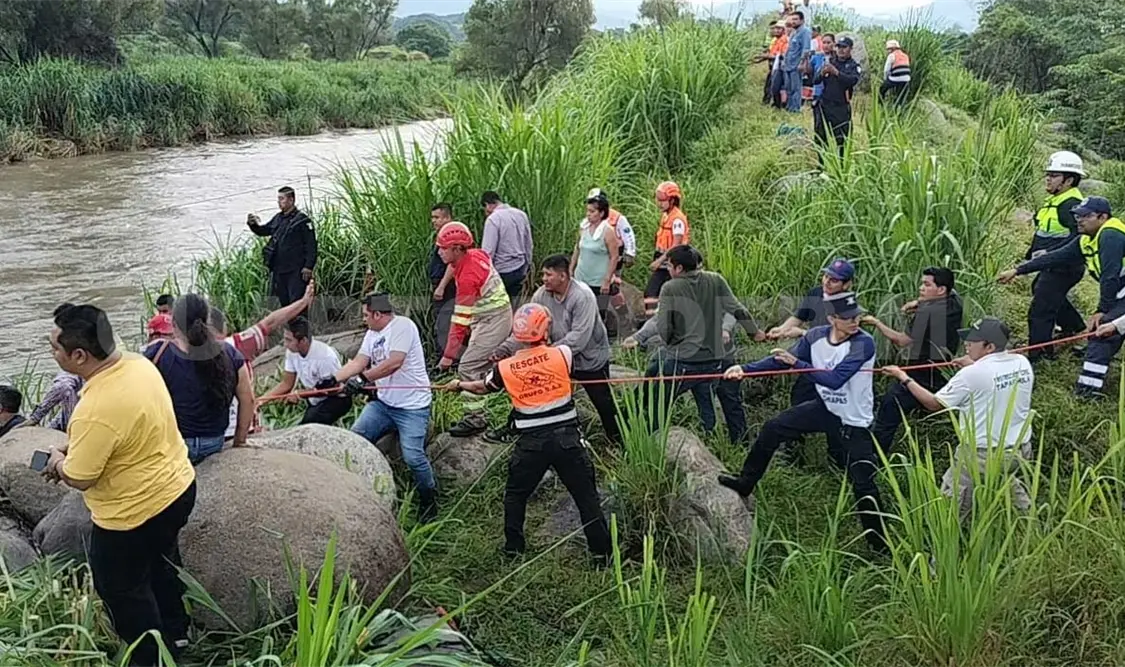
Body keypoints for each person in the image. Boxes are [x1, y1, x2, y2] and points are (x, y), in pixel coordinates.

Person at [42, 304, 196, 666]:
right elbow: (126, 430)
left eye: (54, 347)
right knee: (161, 565)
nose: (51, 352)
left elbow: (82, 475)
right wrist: (80, 444)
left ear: (79, 356)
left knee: (123, 590)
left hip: (131, 516)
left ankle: (151, 658)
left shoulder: (97, 406)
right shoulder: (136, 364)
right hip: (177, 488)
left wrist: (58, 462)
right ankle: (177, 634)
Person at [719, 293, 887, 552]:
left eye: (857, 316)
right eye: (848, 318)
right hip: (824, 408)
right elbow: (780, 361)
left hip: (853, 420)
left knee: (863, 483)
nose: (855, 321)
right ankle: (746, 482)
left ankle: (880, 545)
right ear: (832, 319)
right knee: (773, 428)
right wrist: (745, 369)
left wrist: (796, 363)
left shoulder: (864, 343)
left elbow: (835, 380)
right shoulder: (815, 336)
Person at [446, 303, 611, 563]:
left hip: (531, 444)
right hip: (567, 439)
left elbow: (482, 388)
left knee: (516, 495)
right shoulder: (563, 354)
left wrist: (460, 385)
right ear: (545, 329)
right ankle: (602, 555)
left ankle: (513, 549)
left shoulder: (505, 368)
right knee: (585, 496)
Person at [883, 318, 1034, 520]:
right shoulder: (1022, 362)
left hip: (981, 456)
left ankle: (949, 544)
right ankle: (1029, 521)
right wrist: (973, 363)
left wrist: (903, 377)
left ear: (989, 347)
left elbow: (934, 403)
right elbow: (994, 373)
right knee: (1005, 479)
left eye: (973, 341)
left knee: (954, 503)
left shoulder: (971, 374)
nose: (966, 344)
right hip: (1020, 450)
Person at [999, 196, 1125, 398]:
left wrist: (1102, 310)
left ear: (1103, 217)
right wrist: (1018, 270)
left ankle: (1087, 394)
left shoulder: (1111, 234)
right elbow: (1057, 256)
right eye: (1077, 215)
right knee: (1102, 333)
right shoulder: (1086, 239)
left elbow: (1110, 276)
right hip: (1120, 294)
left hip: (1120, 295)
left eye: (1086, 216)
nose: (1079, 220)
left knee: (1102, 334)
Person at [491, 255, 621, 445]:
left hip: (589, 358)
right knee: (535, 390)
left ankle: (617, 440)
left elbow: (579, 337)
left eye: (548, 274)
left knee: (603, 402)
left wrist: (547, 354)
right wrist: (505, 348)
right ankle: (512, 427)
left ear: (563, 276)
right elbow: (528, 328)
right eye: (543, 274)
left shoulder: (582, 296)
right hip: (558, 356)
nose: (543, 279)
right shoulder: (541, 295)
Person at [641, 245, 764, 444]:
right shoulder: (715, 279)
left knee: (659, 398)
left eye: (669, 266)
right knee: (707, 398)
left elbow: (664, 327)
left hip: (683, 360)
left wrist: (671, 344)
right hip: (714, 360)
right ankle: (719, 439)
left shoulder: (670, 287)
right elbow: (737, 308)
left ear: (679, 268)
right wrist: (755, 333)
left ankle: (653, 439)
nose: (669, 271)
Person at [334, 293, 438, 522]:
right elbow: (359, 361)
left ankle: (429, 499)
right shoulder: (372, 334)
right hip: (384, 404)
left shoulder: (403, 326)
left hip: (412, 406)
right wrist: (332, 379)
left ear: (378, 314)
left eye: (365, 315)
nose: (364, 320)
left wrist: (362, 379)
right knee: (354, 440)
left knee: (413, 457)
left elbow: (394, 362)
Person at [144, 294, 253, 464]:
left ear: (173, 324)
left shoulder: (158, 353)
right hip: (214, 442)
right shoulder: (229, 353)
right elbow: (248, 400)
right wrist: (240, 440)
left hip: (174, 445)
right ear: (207, 320)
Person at [866, 267, 964, 453]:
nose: (921, 288)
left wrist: (877, 323)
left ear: (941, 289)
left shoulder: (926, 314)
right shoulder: (955, 302)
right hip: (944, 371)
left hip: (919, 374)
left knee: (889, 408)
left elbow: (902, 341)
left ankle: (874, 456)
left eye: (926, 285)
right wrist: (918, 302)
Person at [210, 280, 317, 440]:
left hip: (208, 432)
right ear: (223, 327)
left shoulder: (180, 352)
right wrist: (303, 302)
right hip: (240, 429)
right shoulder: (236, 345)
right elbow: (270, 322)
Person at [436, 222, 514, 437]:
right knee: (478, 362)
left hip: (493, 320)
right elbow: (453, 267)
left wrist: (448, 356)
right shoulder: (475, 255)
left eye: (443, 248)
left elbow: (460, 321)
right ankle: (484, 401)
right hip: (487, 317)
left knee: (468, 366)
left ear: (458, 249)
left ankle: (475, 419)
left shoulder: (469, 276)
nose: (439, 251)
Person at [1020, 152, 1087, 361]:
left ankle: (1038, 354)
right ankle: (1073, 326)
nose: (1048, 179)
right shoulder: (1056, 200)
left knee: (1040, 311)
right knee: (1042, 291)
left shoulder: (1072, 206)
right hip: (1051, 265)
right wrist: (1030, 256)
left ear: (1069, 180)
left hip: (1063, 267)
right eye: (1047, 174)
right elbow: (1044, 233)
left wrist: (1047, 256)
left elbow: (1078, 241)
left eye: (1054, 175)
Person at [767, 258, 855, 407]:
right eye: (826, 276)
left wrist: (801, 333)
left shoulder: (848, 305)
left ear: (846, 284)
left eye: (834, 280)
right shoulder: (816, 293)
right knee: (799, 396)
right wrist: (782, 329)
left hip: (833, 361)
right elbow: (799, 316)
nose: (827, 282)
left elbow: (836, 337)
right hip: (813, 355)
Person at [260, 317, 350, 426]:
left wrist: (300, 394)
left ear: (303, 340)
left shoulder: (325, 356)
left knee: (308, 424)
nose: (285, 344)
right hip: (314, 398)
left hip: (335, 398)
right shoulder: (292, 352)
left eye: (289, 340)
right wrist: (261, 401)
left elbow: (334, 388)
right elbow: (287, 384)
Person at [247, 186, 317, 307]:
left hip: (296, 271)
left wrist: (308, 266)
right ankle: (289, 325)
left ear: (291, 200)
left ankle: (300, 325)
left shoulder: (302, 220)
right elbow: (264, 231)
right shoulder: (278, 218)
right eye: (278, 199)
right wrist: (253, 225)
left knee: (297, 303)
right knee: (284, 303)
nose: (279, 202)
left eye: (282, 199)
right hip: (279, 270)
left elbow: (311, 245)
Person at [22, 303, 84, 432]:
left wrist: (35, 417)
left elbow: (63, 387)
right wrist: (51, 427)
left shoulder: (74, 355)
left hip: (80, 429)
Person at [571, 189, 621, 329]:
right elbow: (577, 248)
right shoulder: (584, 228)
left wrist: (607, 279)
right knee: (580, 309)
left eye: (592, 212)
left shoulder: (607, 231)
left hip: (598, 280)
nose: (588, 214)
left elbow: (614, 256)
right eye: (587, 211)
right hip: (581, 277)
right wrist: (571, 269)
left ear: (601, 213)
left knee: (598, 313)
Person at [644, 181, 690, 321]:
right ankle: (652, 323)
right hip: (665, 261)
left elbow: (676, 246)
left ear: (672, 200)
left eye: (662, 200)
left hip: (673, 263)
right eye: (658, 200)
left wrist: (660, 260)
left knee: (661, 293)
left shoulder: (677, 220)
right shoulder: (666, 215)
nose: (659, 203)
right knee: (652, 294)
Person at [813, 36, 861, 162]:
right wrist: (822, 73)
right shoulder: (830, 62)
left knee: (842, 139)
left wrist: (837, 73)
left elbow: (852, 81)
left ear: (850, 49)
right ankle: (822, 166)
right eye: (839, 47)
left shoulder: (853, 65)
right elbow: (815, 80)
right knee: (820, 137)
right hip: (825, 105)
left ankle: (841, 166)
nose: (841, 50)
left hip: (841, 107)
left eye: (844, 47)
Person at [481, 191, 534, 307]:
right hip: (519, 268)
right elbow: (528, 244)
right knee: (514, 306)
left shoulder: (493, 219)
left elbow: (487, 253)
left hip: (501, 272)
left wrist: (484, 278)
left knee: (499, 310)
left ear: (487, 205)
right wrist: (527, 266)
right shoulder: (521, 215)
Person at [430, 203, 458, 358]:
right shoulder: (442, 235)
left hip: (447, 286)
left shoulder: (451, 236)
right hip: (440, 284)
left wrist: (441, 286)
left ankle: (447, 360)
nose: (434, 221)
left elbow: (452, 264)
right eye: (433, 218)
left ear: (447, 217)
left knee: (445, 323)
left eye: (437, 217)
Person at [782, 11, 813, 113]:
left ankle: (795, 109)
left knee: (796, 88)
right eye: (792, 19)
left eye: (796, 19)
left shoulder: (805, 32)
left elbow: (806, 49)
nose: (793, 22)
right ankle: (789, 107)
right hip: (788, 64)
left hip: (796, 65)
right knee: (788, 87)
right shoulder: (793, 33)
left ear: (802, 20)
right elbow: (789, 49)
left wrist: (802, 63)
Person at [756, 22, 787, 105]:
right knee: (769, 85)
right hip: (773, 66)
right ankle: (768, 102)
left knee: (775, 86)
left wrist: (761, 56)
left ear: (784, 30)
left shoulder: (784, 40)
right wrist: (759, 59)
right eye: (774, 28)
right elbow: (771, 54)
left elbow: (779, 55)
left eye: (778, 28)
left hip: (779, 67)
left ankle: (775, 104)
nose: (775, 30)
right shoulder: (775, 40)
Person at [880, 40, 911, 104]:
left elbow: (886, 70)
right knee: (901, 97)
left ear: (892, 49)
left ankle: (881, 104)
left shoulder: (892, 55)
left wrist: (885, 80)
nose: (888, 51)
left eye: (888, 49)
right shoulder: (906, 55)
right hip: (906, 79)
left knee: (882, 90)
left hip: (895, 79)